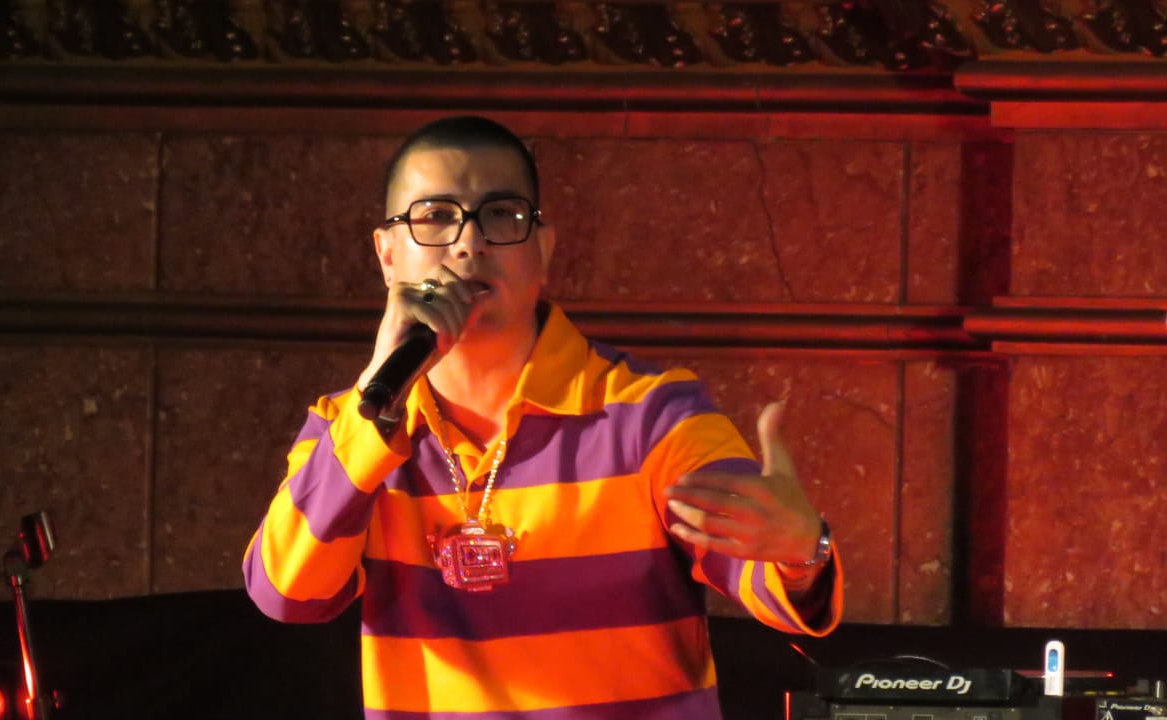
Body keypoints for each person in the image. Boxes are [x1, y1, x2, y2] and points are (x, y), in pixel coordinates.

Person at [243, 115, 843, 719]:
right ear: (387, 255)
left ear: (543, 249)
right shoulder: (348, 428)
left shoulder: (650, 415)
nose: (468, 244)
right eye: (436, 216)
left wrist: (802, 552)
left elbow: (762, 574)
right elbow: (286, 594)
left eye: (502, 214)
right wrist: (376, 403)